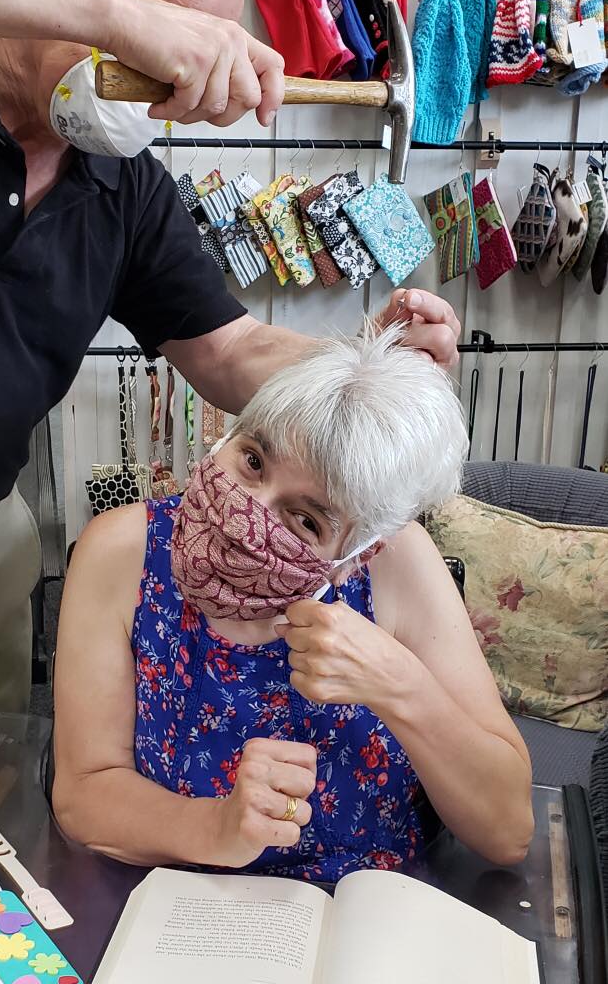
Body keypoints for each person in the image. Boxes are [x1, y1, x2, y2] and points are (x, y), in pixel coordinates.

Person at [0, 0, 461, 788]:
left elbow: (230, 350)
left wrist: (359, 361)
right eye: (164, 33)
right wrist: (114, 18)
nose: (160, 80)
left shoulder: (125, 189)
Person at [52, 328, 534, 879]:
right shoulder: (122, 551)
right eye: (253, 460)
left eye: (305, 520)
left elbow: (508, 831)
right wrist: (215, 827)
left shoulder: (399, 566)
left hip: (370, 909)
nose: (247, 513)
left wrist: (399, 685)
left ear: (357, 555)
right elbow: (83, 794)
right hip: (177, 904)